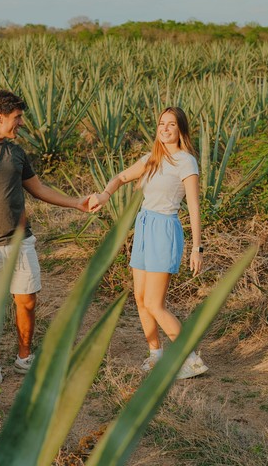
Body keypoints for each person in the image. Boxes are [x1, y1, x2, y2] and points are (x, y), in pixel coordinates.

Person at [0, 89, 91, 384]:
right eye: (17, 117)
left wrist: (77, 202)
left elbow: (39, 189)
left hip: (20, 241)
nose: (21, 123)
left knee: (27, 301)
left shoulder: (16, 153)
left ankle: (25, 357)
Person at [88, 106, 209, 380]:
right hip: (143, 227)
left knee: (155, 303)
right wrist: (105, 194)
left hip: (164, 229)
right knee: (141, 299)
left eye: (171, 125)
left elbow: (193, 206)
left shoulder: (186, 161)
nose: (165, 129)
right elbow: (120, 177)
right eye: (161, 124)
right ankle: (156, 354)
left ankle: (190, 359)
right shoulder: (152, 158)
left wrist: (197, 247)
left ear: (181, 130)